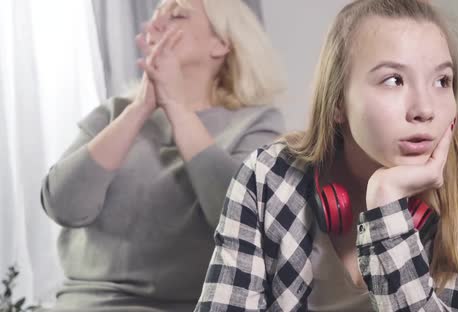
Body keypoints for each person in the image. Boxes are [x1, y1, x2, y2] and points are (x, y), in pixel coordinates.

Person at [196, 0, 458, 311]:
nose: (424, 109)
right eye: (394, 80)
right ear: (337, 102)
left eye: (441, 81)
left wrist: (387, 210)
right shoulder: (267, 178)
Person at [40, 0, 285, 311]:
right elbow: (64, 206)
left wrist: (177, 108)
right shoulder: (112, 115)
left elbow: (243, 220)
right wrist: (140, 108)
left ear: (221, 43)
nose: (155, 24)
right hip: (88, 302)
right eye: (156, 15)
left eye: (178, 14)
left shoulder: (256, 123)